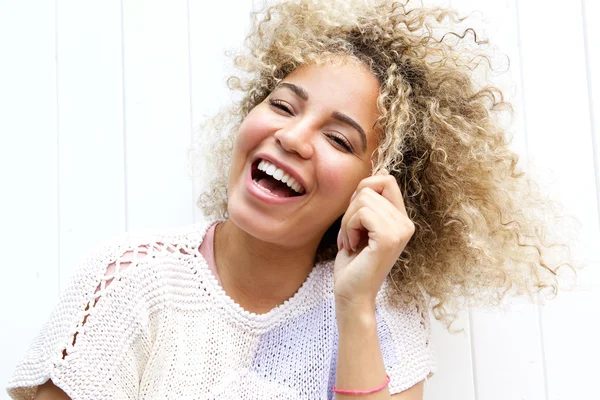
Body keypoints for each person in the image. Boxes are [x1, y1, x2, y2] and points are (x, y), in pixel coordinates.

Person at [7, 0, 577, 399]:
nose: (293, 136)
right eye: (283, 105)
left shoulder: (385, 316)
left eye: (338, 139)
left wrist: (355, 306)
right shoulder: (130, 280)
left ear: (376, 190)